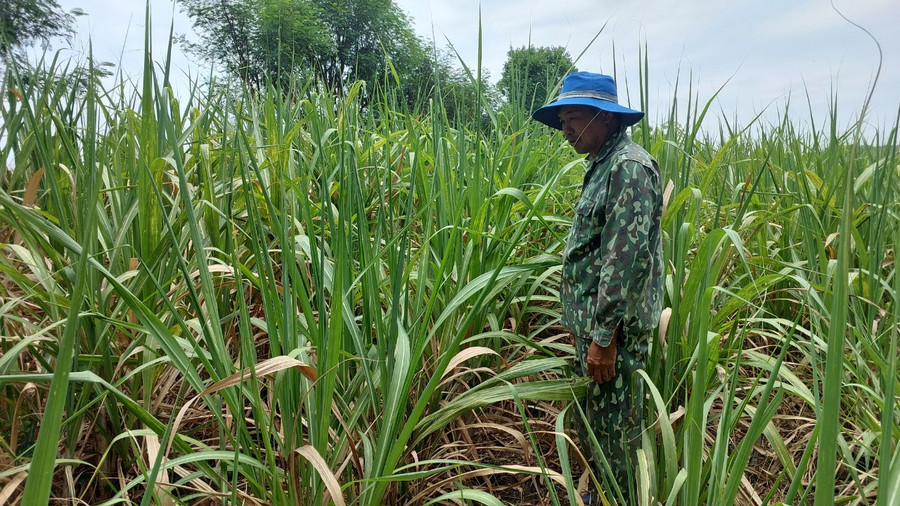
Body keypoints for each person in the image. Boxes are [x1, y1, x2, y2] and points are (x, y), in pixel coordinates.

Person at [532, 72, 664, 503]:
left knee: (616, 436)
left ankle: (617, 498)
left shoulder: (628, 168)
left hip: (613, 337)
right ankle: (599, 495)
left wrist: (604, 339)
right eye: (562, 120)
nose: (565, 129)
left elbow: (623, 263)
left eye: (573, 118)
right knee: (596, 424)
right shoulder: (603, 164)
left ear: (606, 118)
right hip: (594, 329)